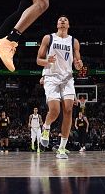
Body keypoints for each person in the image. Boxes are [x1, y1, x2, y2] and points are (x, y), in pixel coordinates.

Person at [37, 15, 83, 159]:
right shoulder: (48, 38)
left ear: (68, 25)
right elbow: (38, 60)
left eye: (65, 20)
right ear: (57, 24)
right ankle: (46, 127)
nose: (62, 21)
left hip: (67, 78)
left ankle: (62, 148)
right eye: (60, 20)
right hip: (51, 76)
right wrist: (46, 61)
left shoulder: (74, 41)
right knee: (55, 110)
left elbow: (78, 62)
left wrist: (79, 65)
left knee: (68, 110)